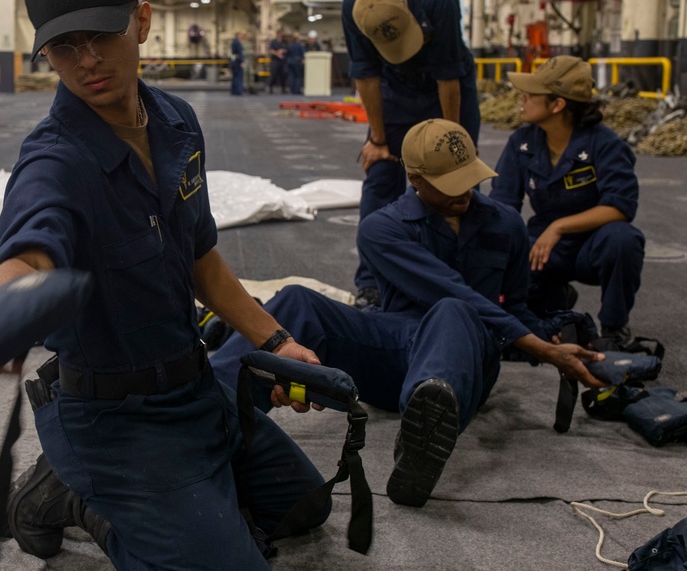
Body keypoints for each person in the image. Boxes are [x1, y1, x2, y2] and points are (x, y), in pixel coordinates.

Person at [0, 0, 329, 569]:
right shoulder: (55, 160)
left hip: (193, 389)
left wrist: (275, 344)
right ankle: (80, 497)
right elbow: (33, 241)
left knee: (302, 509)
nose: (86, 60)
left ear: (143, 20)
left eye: (101, 34)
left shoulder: (177, 122)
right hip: (114, 422)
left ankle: (177, 501)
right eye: (63, 46)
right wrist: (9, 297)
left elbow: (201, 259)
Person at [211, 119, 606, 509]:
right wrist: (539, 346)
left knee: (454, 313)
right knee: (298, 299)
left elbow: (514, 306)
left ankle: (423, 437)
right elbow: (448, 287)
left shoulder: (508, 225)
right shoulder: (382, 228)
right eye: (450, 184)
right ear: (415, 178)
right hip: (396, 347)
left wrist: (555, 342)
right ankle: (207, 413)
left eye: (469, 177)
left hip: (467, 359)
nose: (465, 192)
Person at [342, 0, 481, 310]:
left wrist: (451, 146)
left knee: (459, 183)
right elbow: (367, 77)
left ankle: (467, 278)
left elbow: (448, 79)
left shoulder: (439, 0)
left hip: (446, 89)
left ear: (403, 1)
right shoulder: (354, 7)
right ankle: (372, 283)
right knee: (380, 178)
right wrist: (378, 139)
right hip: (394, 92)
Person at [489, 56, 645, 345]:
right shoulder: (522, 143)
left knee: (624, 240)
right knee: (507, 249)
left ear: (557, 105)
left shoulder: (604, 144)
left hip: (593, 244)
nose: (522, 99)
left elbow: (621, 206)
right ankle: (552, 300)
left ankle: (613, 327)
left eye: (531, 94)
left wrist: (559, 227)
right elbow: (502, 204)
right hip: (544, 249)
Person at [230, 30, 245, 96]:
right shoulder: (238, 43)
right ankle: (238, 91)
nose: (241, 36)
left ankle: (234, 91)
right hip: (237, 62)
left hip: (234, 61)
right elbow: (239, 53)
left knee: (234, 77)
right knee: (238, 77)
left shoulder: (233, 42)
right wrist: (242, 61)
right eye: (240, 35)